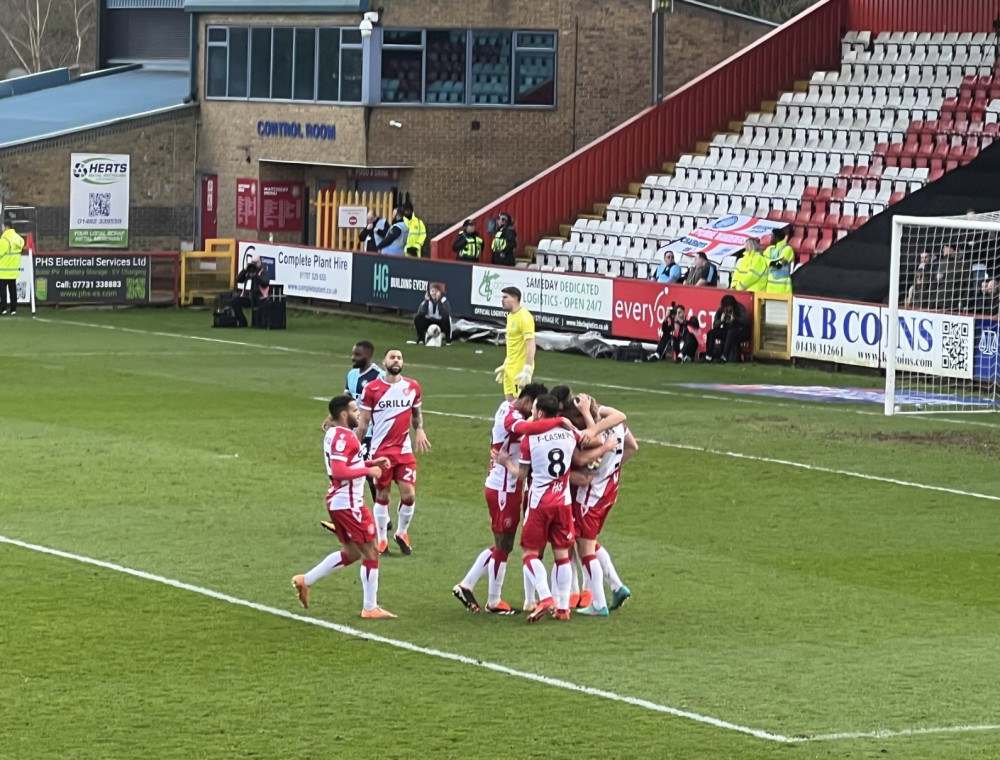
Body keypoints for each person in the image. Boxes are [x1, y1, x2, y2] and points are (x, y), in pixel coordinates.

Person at [497, 393, 616, 623]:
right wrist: (605, 447)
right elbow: (591, 443)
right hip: (563, 503)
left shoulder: (529, 440)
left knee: (530, 554)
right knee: (562, 556)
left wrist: (506, 462)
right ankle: (563, 609)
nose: (531, 414)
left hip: (539, 503)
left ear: (540, 413)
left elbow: (521, 475)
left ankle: (545, 597)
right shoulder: (570, 433)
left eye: (533, 411)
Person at [452, 382, 559, 615]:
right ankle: (491, 599)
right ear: (529, 402)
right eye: (535, 408)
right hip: (503, 487)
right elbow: (527, 429)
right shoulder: (511, 416)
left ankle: (470, 586)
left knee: (504, 544)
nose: (535, 413)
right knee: (504, 544)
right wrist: (560, 423)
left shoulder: (507, 406)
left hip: (506, 486)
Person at [291, 395, 396, 619]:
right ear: (344, 415)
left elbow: (347, 464)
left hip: (340, 502)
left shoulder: (335, 433)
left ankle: (305, 580)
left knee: (351, 553)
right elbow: (339, 472)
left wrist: (370, 463)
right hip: (349, 503)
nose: (358, 413)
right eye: (354, 410)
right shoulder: (344, 438)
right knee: (371, 551)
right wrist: (368, 471)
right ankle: (370, 607)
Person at [356, 349, 431, 556]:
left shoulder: (412, 387)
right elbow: (363, 423)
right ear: (384, 362)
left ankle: (401, 533)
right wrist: (355, 447)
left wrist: (420, 430)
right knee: (382, 495)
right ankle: (381, 541)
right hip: (380, 451)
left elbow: (416, 414)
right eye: (392, 357)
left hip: (404, 450)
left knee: (409, 495)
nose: (396, 360)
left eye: (399, 357)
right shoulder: (372, 389)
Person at [569, 395, 637, 617]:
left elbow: (584, 468)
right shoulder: (616, 424)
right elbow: (632, 447)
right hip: (610, 491)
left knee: (584, 548)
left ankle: (599, 604)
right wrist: (613, 470)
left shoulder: (594, 437)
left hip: (591, 496)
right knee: (591, 542)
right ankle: (617, 588)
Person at [342, 340, 384, 503]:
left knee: (368, 471)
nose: (353, 358)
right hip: (352, 432)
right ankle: (350, 512)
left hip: (371, 433)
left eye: (357, 355)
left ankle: (381, 510)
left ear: (368, 356)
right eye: (353, 354)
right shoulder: (351, 374)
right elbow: (347, 398)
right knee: (347, 470)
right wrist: (332, 417)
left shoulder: (378, 376)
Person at [493, 286, 536, 401]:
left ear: (515, 298)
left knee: (521, 405)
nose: (502, 300)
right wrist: (506, 363)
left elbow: (531, 345)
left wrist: (527, 369)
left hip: (519, 370)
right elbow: (513, 342)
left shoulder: (525, 318)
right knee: (510, 404)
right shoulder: (511, 316)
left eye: (505, 297)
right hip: (509, 367)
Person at [704, 294, 750, 363]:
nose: (728, 309)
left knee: (731, 332)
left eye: (729, 307)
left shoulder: (740, 307)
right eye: (726, 307)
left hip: (740, 331)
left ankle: (724, 357)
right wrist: (721, 321)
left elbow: (745, 320)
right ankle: (708, 356)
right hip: (728, 330)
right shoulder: (721, 310)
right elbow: (715, 325)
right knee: (711, 333)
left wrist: (735, 319)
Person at [232, 255, 270, 327]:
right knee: (235, 301)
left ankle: (259, 323)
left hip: (258, 298)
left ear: (260, 262)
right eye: (253, 262)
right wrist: (245, 269)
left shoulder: (263, 271)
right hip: (248, 297)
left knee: (257, 320)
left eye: (256, 262)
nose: (255, 264)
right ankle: (242, 321)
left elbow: (265, 283)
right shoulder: (248, 271)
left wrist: (256, 276)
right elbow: (239, 279)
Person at [0, 217, 25, 315]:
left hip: (3, 270)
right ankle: (13, 309)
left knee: (2, 291)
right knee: (13, 290)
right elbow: (22, 245)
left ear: (6, 227)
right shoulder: (18, 238)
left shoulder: (4, 240)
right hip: (14, 269)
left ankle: (3, 308)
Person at [764, 227, 794, 294]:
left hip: (783, 289)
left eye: (772, 236)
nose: (770, 239)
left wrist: (768, 262)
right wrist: (771, 263)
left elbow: (778, 265)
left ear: (776, 238)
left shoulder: (787, 249)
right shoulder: (769, 249)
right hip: (769, 289)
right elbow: (762, 262)